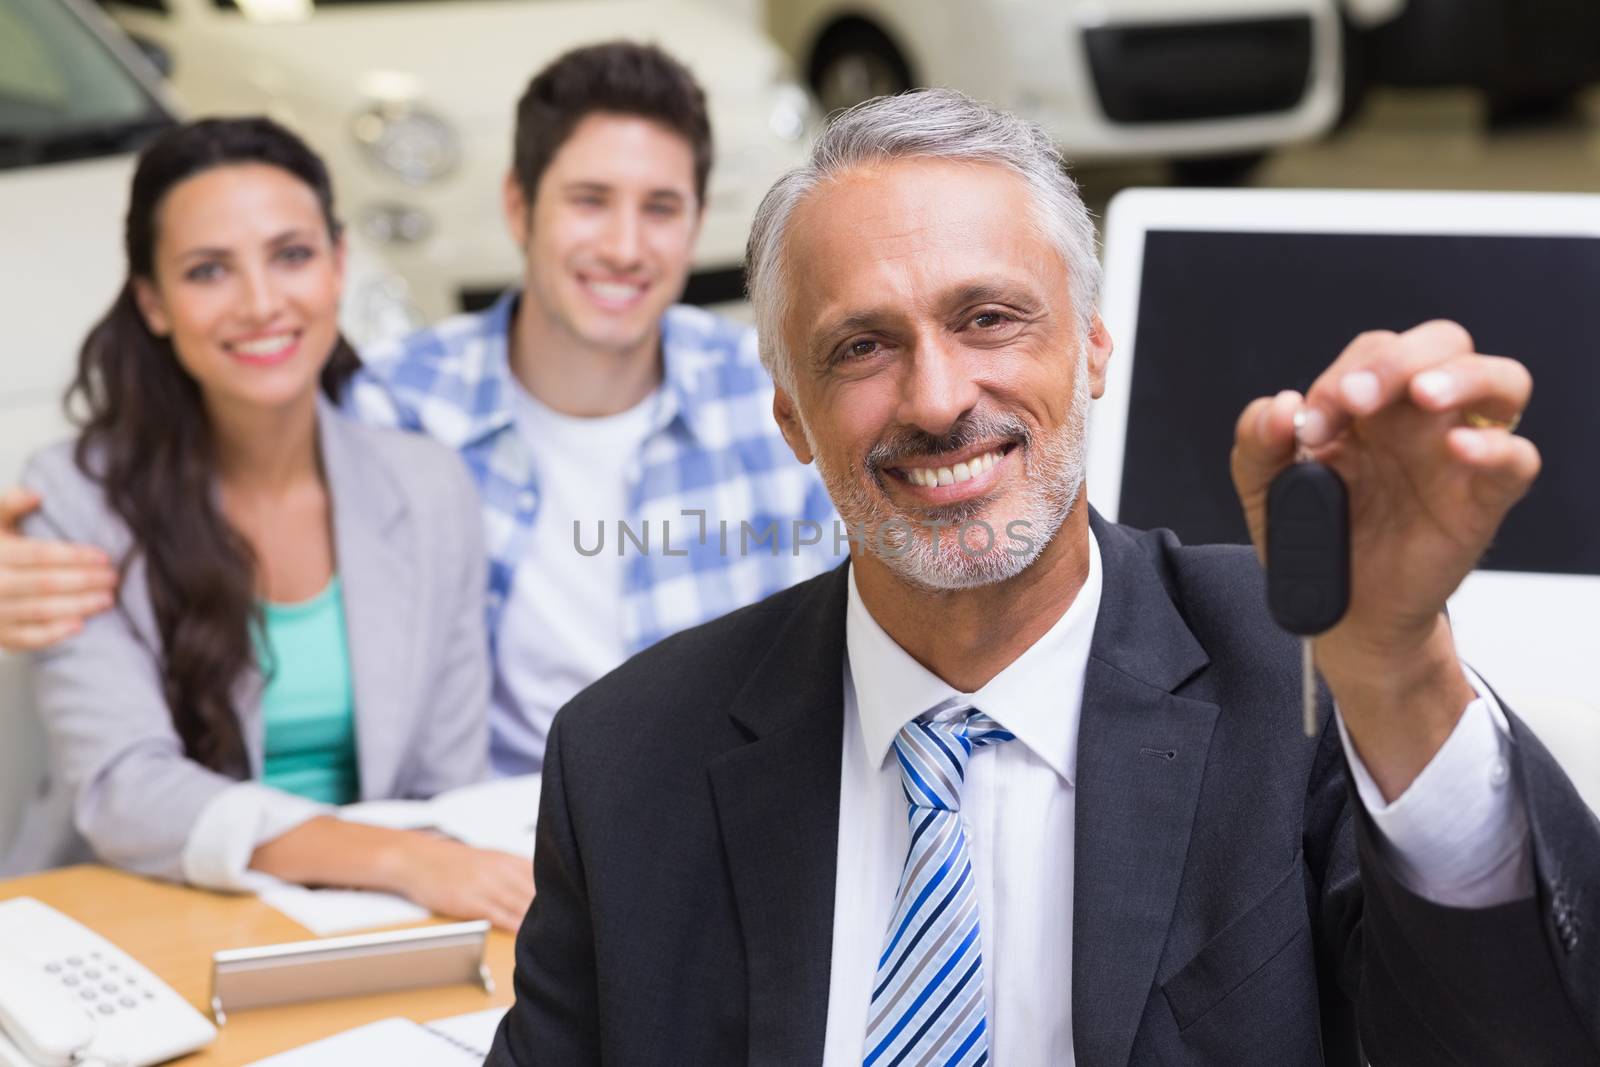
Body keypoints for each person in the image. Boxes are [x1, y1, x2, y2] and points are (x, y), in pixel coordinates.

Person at [485, 91, 1600, 1065]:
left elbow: (1517, 1037)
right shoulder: (628, 757)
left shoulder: (1300, 685)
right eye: (860, 346)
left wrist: (1400, 674)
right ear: (791, 417)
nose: (933, 396)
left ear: (1092, 345)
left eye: (988, 318)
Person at [0, 42, 836, 778]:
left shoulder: (770, 401)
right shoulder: (395, 405)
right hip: (504, 832)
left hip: (727, 816)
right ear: (517, 206)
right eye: (589, 200)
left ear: (696, 224)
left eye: (660, 208)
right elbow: (190, 467)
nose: (625, 245)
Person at [7, 118, 533, 932]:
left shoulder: (428, 487)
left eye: (291, 255)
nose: (260, 303)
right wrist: (395, 859)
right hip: (145, 912)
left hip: (384, 920)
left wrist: (414, 872)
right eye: (209, 270)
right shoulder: (77, 497)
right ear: (152, 301)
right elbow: (127, 789)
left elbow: (443, 784)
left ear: (338, 263)